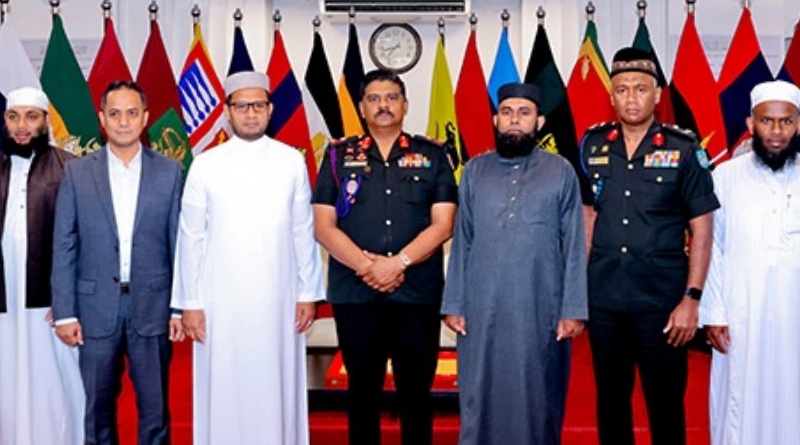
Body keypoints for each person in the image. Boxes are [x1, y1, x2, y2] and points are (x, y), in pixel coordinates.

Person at [172, 71, 324, 445]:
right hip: (219, 302)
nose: (251, 113)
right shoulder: (206, 164)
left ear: (270, 109)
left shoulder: (290, 161)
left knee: (275, 382)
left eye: (258, 105)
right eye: (242, 106)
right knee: (225, 383)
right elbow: (191, 237)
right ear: (227, 112)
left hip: (279, 298)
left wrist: (308, 293)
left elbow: (302, 230)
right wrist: (189, 303)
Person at [578, 47, 720, 445]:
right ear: (612, 95)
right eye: (622, 89)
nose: (631, 98)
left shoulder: (683, 148)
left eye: (641, 89)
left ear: (657, 94)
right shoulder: (592, 145)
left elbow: (702, 229)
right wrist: (577, 291)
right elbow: (588, 219)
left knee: (665, 404)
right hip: (605, 298)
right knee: (611, 401)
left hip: (661, 302)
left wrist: (692, 299)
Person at [312, 69, 457, 445]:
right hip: (357, 295)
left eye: (392, 98)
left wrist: (397, 264)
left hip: (416, 294)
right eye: (374, 99)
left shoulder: (433, 155)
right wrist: (368, 267)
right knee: (362, 394)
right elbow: (323, 226)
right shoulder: (336, 156)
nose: (383, 106)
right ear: (361, 107)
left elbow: (444, 224)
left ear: (405, 105)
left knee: (416, 395)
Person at [441, 82, 587, 445]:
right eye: (506, 112)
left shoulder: (561, 171)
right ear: (496, 120)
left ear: (539, 122)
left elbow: (574, 244)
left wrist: (572, 309)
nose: (515, 120)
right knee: (480, 393)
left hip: (540, 306)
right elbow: (463, 239)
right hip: (482, 306)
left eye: (524, 113)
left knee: (537, 394)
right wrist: (455, 303)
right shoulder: (475, 170)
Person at [51, 80, 184, 445]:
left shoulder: (170, 172)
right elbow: (64, 244)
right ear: (102, 119)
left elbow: (179, 245)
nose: (123, 122)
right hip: (93, 308)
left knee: (155, 412)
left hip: (153, 307)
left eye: (131, 113)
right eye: (114, 114)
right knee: (97, 412)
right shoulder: (77, 173)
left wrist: (178, 307)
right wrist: (64, 312)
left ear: (145, 118)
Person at [701, 80, 800, 445]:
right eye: (766, 121)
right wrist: (714, 312)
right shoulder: (725, 177)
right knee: (740, 400)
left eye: (786, 121)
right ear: (750, 124)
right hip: (741, 312)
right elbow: (712, 247)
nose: (776, 131)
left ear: (798, 125)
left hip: (795, 314)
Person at [0, 86, 83, 445]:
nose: (22, 126)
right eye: (13, 117)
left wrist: (69, 300)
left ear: (45, 121)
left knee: (54, 381)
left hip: (51, 305)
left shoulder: (72, 168)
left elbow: (85, 240)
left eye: (31, 117)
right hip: (4, 301)